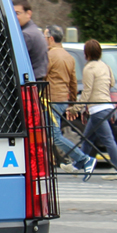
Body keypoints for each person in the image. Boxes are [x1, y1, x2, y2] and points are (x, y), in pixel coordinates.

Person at [44, 25, 96, 180]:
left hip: (50, 99)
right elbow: (73, 82)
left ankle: (83, 159)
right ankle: (65, 161)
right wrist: (72, 103)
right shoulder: (69, 57)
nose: (44, 40)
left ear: (51, 39)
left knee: (54, 134)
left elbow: (41, 76)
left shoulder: (50, 56)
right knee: (51, 133)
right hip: (62, 100)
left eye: (45, 37)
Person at [72, 38, 117, 180]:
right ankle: (77, 166)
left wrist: (76, 108)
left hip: (98, 108)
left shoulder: (89, 68)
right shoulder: (105, 66)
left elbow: (87, 92)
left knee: (108, 139)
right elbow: (111, 82)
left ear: (86, 53)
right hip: (108, 106)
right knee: (87, 138)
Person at [12, 0, 48, 80]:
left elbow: (16, 61)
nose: (14, 17)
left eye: (17, 13)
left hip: (30, 81)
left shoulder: (26, 34)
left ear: (28, 14)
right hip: (38, 79)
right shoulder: (35, 31)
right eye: (12, 14)